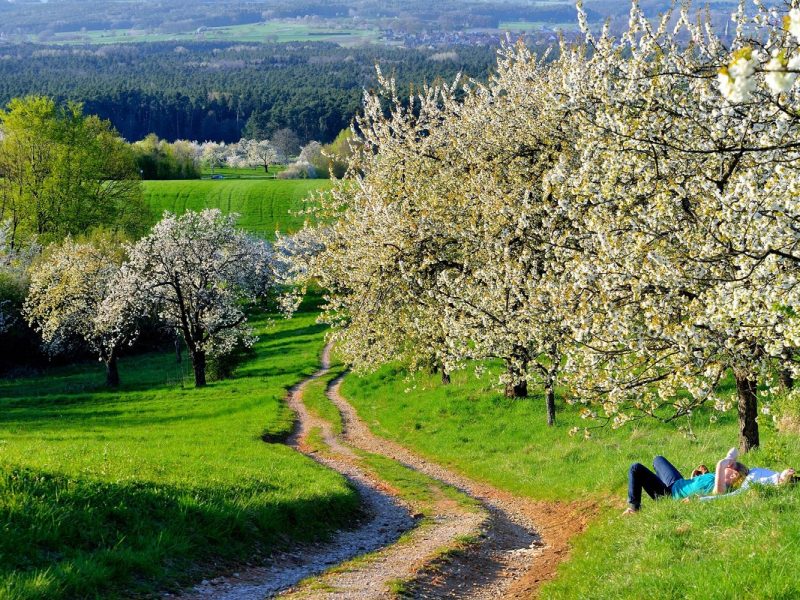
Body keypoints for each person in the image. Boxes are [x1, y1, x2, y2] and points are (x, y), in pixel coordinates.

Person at [623, 448, 747, 514]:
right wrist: (730, 458)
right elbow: (734, 450)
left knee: (636, 468)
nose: (726, 465)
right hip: (677, 482)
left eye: (728, 466)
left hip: (668, 494)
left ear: (733, 475)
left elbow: (717, 493)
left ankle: (634, 508)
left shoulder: (722, 488)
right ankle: (656, 484)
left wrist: (722, 463)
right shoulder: (715, 476)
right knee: (658, 459)